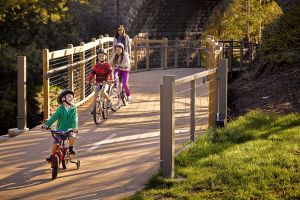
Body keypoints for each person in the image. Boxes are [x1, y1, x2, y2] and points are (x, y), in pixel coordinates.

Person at [42, 89, 78, 161]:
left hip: (70, 129)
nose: (71, 98)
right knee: (55, 144)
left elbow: (75, 118)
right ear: (63, 99)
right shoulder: (60, 109)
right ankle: (52, 155)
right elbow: (54, 117)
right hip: (60, 130)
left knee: (72, 138)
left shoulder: (73, 108)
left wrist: (74, 127)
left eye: (72, 97)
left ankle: (71, 148)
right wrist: (47, 124)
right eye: (69, 97)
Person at [86, 48, 113, 113]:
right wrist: (88, 79)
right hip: (98, 82)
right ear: (97, 57)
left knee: (102, 91)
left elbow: (110, 73)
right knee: (95, 93)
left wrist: (111, 79)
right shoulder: (96, 66)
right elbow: (92, 74)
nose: (101, 57)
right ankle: (94, 107)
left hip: (105, 82)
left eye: (102, 55)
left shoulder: (107, 65)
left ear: (105, 56)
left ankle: (109, 101)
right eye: (99, 56)